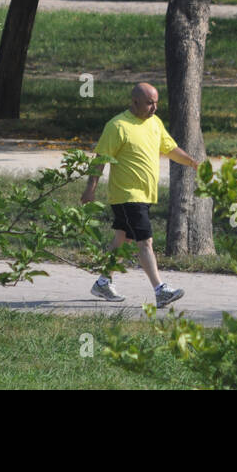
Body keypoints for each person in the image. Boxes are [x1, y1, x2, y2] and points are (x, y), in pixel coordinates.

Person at [81, 82, 202, 308]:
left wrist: (192, 162)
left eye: (156, 102)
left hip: (145, 195)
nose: (154, 108)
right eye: (149, 103)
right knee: (144, 241)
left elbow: (169, 148)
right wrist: (91, 188)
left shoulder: (154, 123)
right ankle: (160, 289)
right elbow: (100, 158)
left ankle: (103, 282)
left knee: (123, 240)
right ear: (134, 102)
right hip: (127, 195)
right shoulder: (117, 126)